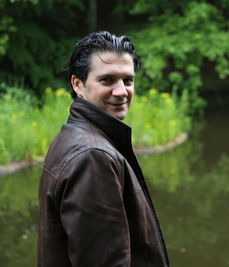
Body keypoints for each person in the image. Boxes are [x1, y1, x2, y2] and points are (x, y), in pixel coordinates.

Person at [38, 31, 169, 267]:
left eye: (128, 80)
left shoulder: (76, 136)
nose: (121, 91)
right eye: (107, 80)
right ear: (78, 84)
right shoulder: (93, 156)